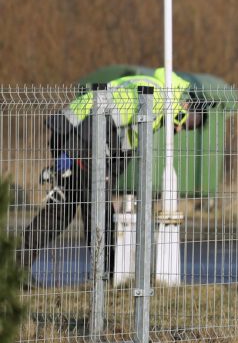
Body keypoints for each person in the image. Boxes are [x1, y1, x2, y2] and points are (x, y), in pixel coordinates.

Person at [20, 69, 199, 285]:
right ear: (183, 106)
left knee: (63, 211)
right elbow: (100, 117)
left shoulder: (154, 97)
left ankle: (16, 269)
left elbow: (123, 147)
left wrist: (108, 175)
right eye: (187, 123)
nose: (181, 130)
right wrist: (70, 153)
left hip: (76, 137)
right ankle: (107, 279)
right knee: (98, 213)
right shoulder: (154, 97)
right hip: (80, 138)